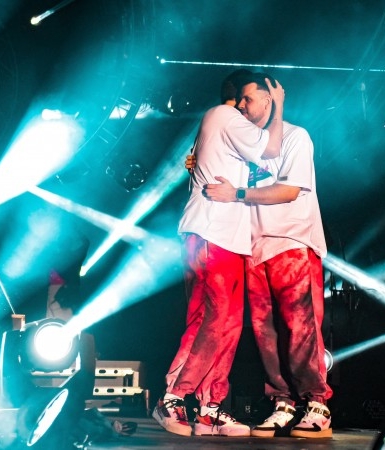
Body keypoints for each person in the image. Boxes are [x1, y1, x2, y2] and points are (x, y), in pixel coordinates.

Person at [152, 68, 285, 438]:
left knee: (226, 323)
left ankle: (210, 406)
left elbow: (265, 169)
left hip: (226, 238)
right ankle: (173, 397)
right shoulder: (225, 115)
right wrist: (278, 107)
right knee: (216, 319)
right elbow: (271, 149)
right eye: (248, 97)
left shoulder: (230, 128)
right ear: (238, 96)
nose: (249, 106)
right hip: (212, 233)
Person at [201, 72, 333, 438]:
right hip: (254, 249)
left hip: (291, 241)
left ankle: (317, 404)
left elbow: (289, 190)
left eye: (247, 99)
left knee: (301, 327)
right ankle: (283, 402)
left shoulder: (295, 136)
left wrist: (238, 194)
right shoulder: (247, 145)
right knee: (266, 333)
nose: (241, 106)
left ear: (267, 100)